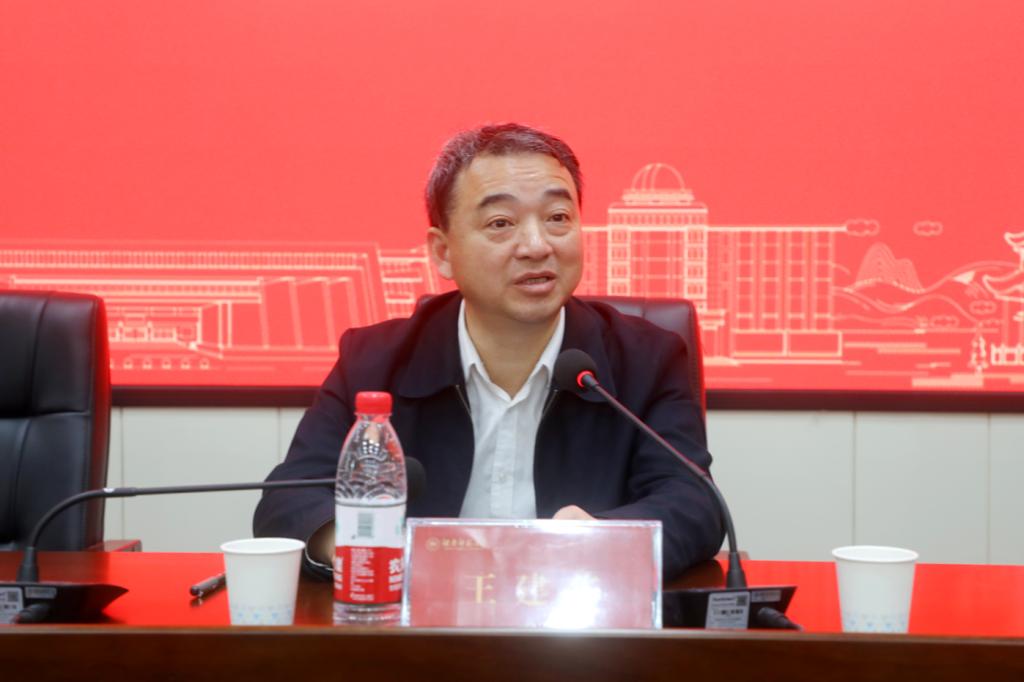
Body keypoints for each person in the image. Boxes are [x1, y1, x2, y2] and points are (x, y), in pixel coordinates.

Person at [253, 123, 724, 580]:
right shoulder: (375, 360)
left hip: (579, 620)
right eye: (501, 223)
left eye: (558, 218)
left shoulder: (645, 358)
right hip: (415, 621)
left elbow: (693, 503)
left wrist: (597, 540)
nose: (537, 246)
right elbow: (288, 501)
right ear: (442, 252)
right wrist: (373, 548)